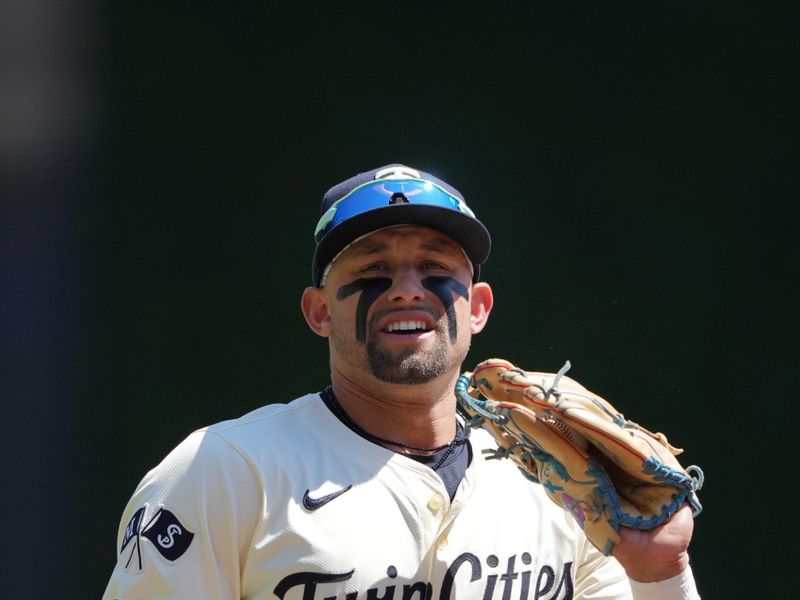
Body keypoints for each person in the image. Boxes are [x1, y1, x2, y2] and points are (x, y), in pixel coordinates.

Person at [103, 164, 700, 599]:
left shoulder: (555, 479)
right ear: (317, 312)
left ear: (478, 308)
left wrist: (660, 572)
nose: (408, 287)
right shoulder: (228, 470)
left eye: (437, 268)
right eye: (373, 269)